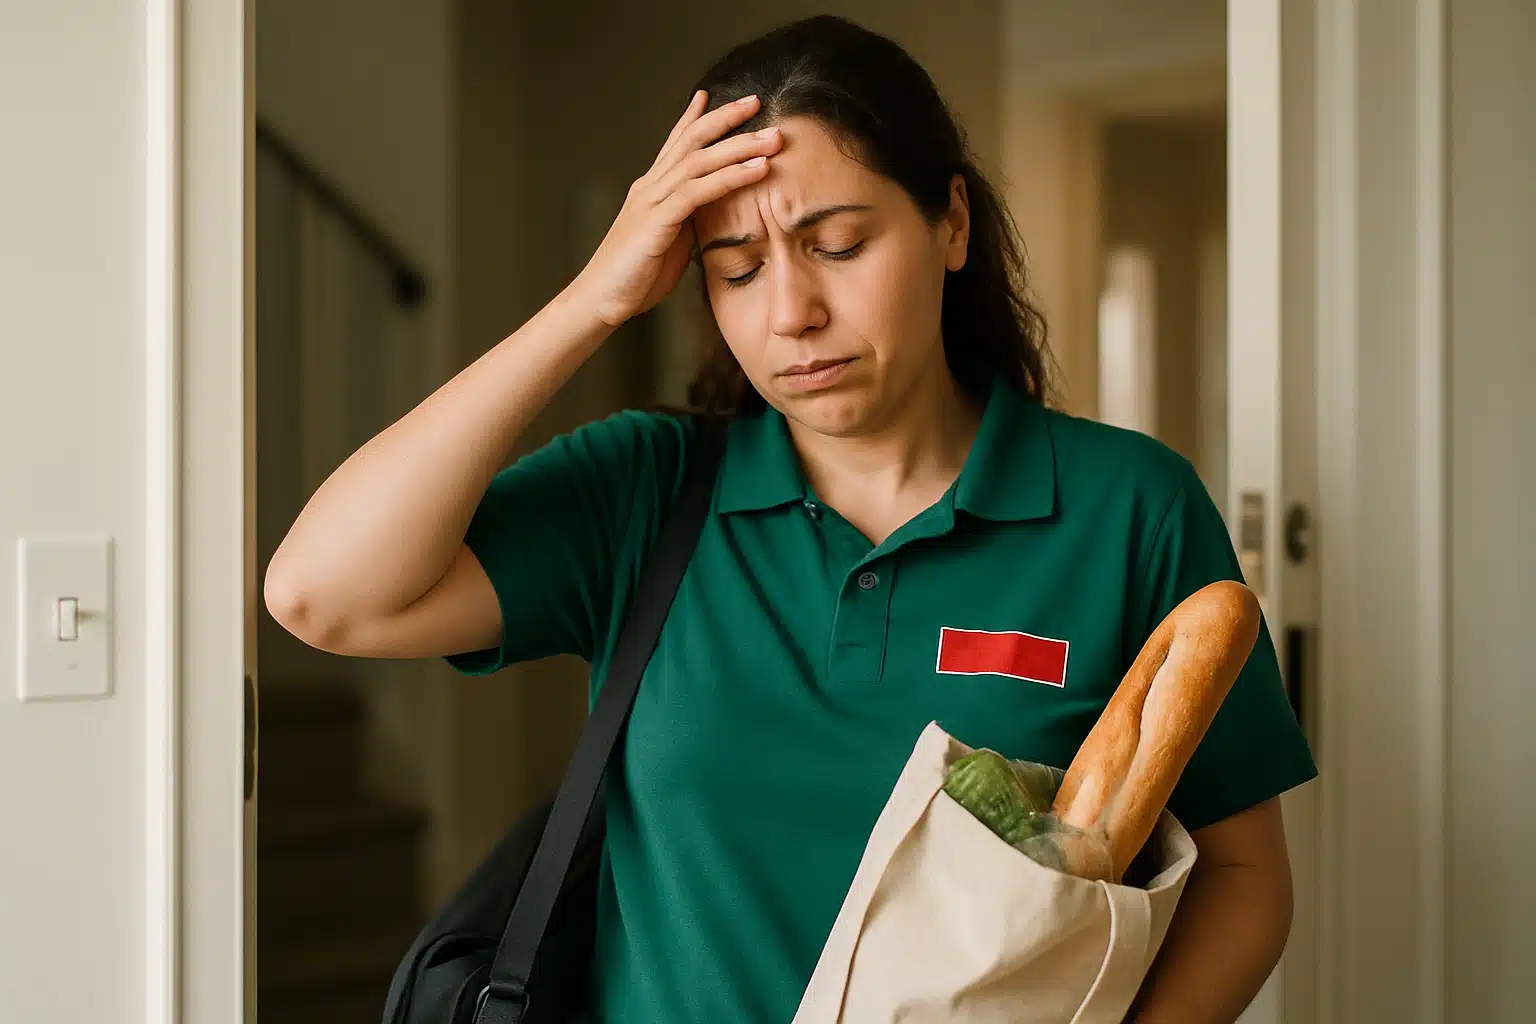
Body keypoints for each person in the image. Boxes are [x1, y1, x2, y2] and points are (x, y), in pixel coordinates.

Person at [264, 14, 1317, 1023]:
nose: (790, 314)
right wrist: (593, 299)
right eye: (737, 269)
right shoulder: (647, 489)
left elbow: (1243, 874)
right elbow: (322, 595)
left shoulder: (1130, 508)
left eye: (840, 245)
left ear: (952, 222)